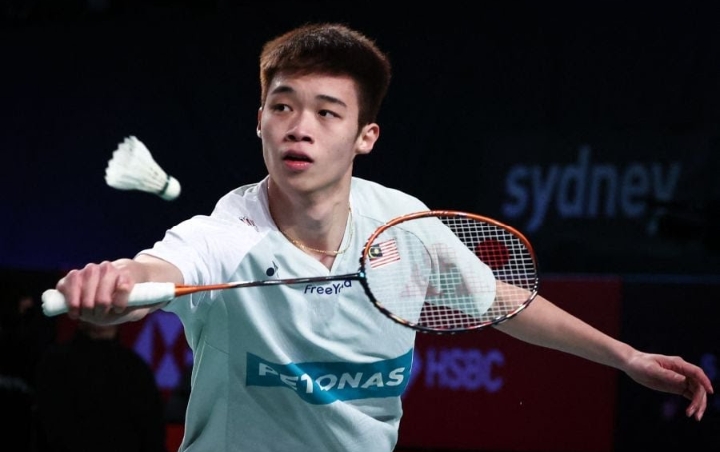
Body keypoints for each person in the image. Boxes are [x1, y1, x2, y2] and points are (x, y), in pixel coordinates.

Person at [50, 23, 713, 452]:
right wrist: (114, 288)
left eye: (326, 112)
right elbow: (158, 271)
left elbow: (498, 300)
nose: (298, 127)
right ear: (259, 121)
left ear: (365, 136)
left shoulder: (403, 226)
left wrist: (627, 357)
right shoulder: (227, 235)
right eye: (282, 106)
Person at [34, 320, 167, 452]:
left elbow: (152, 434)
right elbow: (49, 428)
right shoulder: (55, 363)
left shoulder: (136, 369)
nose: (102, 311)